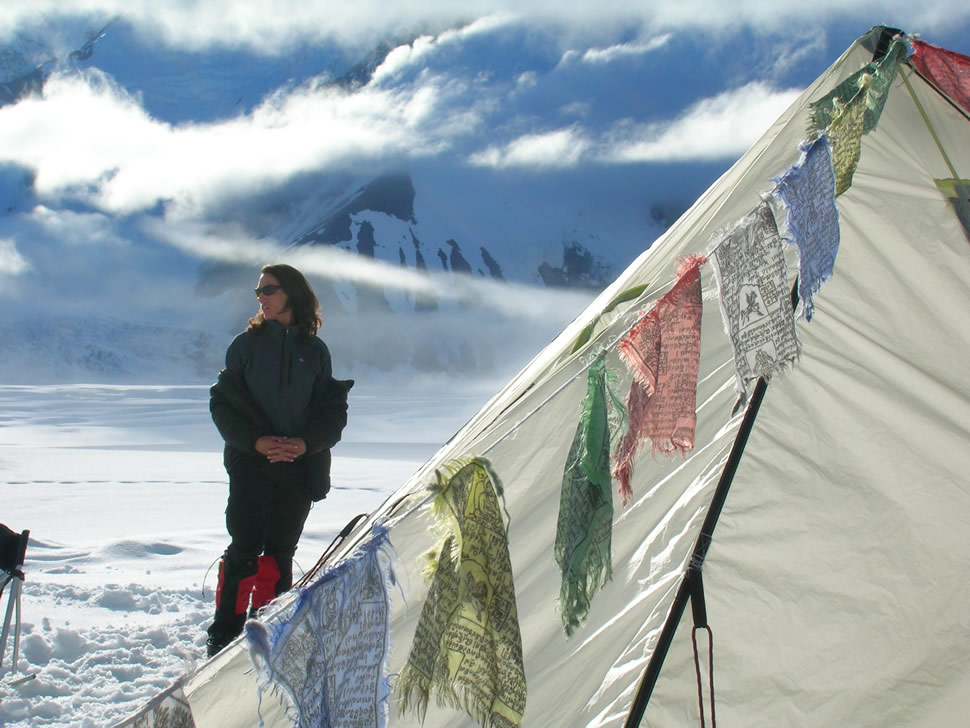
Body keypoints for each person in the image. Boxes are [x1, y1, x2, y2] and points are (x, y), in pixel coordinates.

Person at [206, 263, 353, 657]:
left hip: (297, 468)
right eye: (258, 292)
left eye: (268, 290)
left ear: (292, 293)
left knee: (280, 554)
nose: (261, 299)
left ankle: (269, 634)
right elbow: (222, 405)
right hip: (250, 464)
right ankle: (224, 637)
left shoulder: (315, 351)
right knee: (244, 548)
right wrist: (256, 443)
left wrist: (304, 445)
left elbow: (331, 414)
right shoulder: (245, 346)